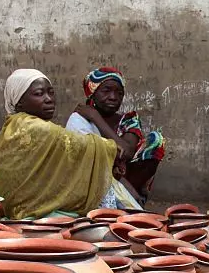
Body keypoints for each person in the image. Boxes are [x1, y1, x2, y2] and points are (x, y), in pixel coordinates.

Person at [0, 69, 137, 220]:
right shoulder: (34, 127)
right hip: (34, 211)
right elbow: (77, 144)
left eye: (51, 92)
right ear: (19, 101)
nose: (49, 99)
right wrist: (111, 151)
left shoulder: (14, 125)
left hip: (20, 208)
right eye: (39, 93)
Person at [66, 67, 166, 204]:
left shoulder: (128, 120)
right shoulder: (81, 120)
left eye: (119, 93)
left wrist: (96, 118)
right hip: (92, 180)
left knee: (156, 141)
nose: (113, 97)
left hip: (123, 178)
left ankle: (133, 197)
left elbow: (126, 152)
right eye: (106, 91)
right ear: (92, 93)